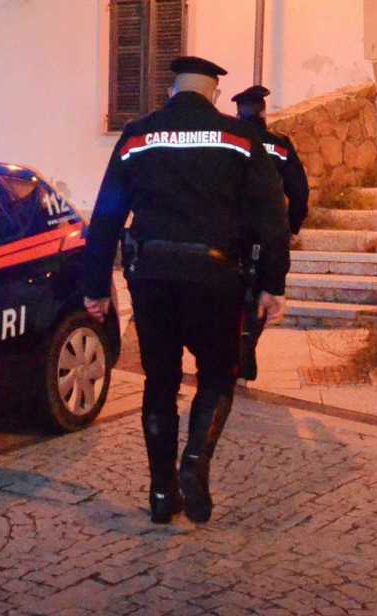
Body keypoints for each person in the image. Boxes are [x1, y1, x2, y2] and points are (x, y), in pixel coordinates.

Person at [82, 56, 290, 524]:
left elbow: (107, 214)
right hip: (216, 278)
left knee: (160, 380)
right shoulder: (239, 138)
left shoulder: (137, 135)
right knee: (217, 375)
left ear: (172, 91)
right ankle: (195, 461)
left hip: (151, 275)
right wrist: (272, 284)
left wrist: (94, 286)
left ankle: (161, 492)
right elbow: (271, 215)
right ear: (214, 93)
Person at [233, 85, 310, 381]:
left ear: (238, 113)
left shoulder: (230, 141)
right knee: (262, 295)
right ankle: (245, 354)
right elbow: (299, 192)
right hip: (266, 234)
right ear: (264, 112)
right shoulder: (279, 144)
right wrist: (291, 227)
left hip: (230, 233)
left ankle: (236, 357)